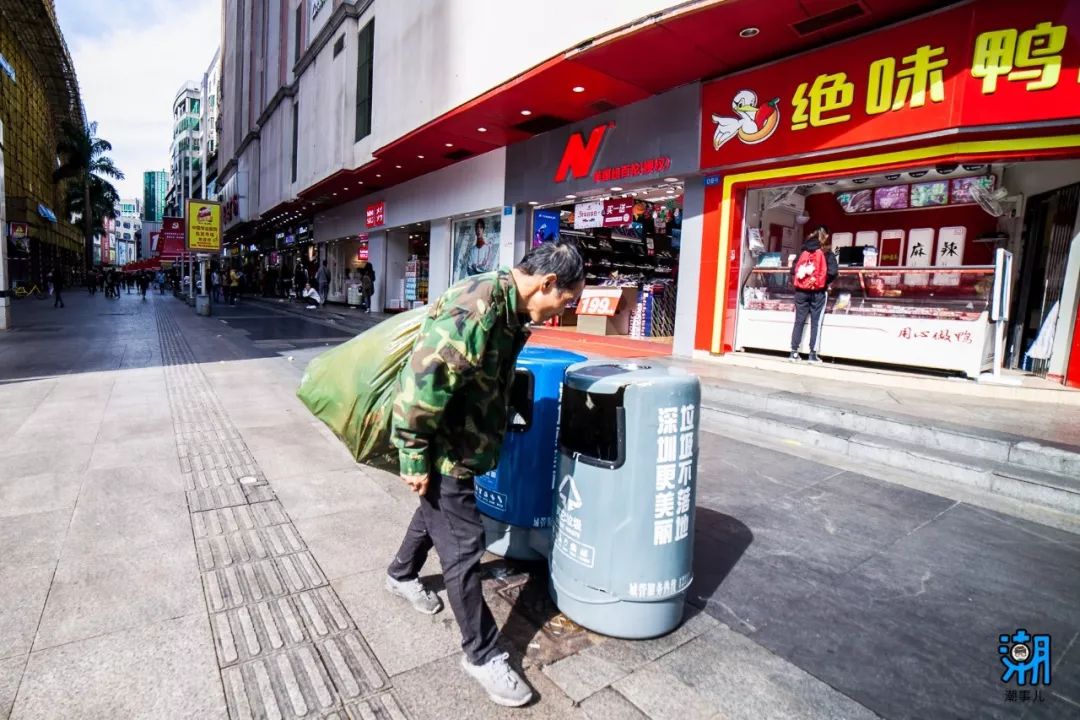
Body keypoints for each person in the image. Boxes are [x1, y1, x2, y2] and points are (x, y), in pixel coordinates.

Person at [385, 240, 584, 708]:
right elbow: (422, 381)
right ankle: (482, 654)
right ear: (547, 282)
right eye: (567, 299)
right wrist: (413, 455)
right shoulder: (476, 307)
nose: (564, 310)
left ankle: (400, 573)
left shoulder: (510, 308)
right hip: (444, 450)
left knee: (437, 513)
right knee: (464, 545)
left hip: (463, 444)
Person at [789, 225, 837, 363]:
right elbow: (833, 272)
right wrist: (821, 282)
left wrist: (804, 280)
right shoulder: (827, 253)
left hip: (801, 292)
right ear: (825, 237)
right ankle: (812, 354)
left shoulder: (803, 251)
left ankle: (794, 352)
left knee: (799, 321)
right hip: (818, 292)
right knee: (816, 322)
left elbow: (793, 270)